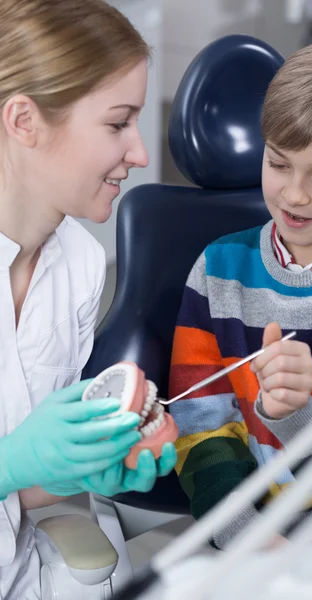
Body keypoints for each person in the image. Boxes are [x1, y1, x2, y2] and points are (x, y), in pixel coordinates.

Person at [168, 27, 312, 550]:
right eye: (277, 163)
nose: (294, 194)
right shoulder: (218, 269)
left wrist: (295, 410)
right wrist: (248, 540)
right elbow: (202, 430)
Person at [0, 0, 176, 597]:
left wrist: (82, 467)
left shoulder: (78, 265)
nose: (141, 153)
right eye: (117, 123)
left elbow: (26, 488)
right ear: (24, 121)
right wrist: (7, 462)